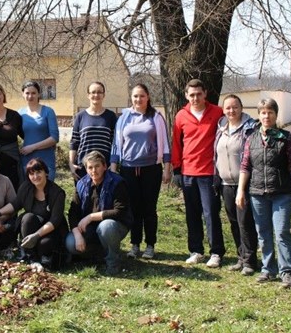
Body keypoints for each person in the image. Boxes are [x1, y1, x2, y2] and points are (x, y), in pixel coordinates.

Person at [236, 98, 291, 288]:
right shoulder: (251, 138)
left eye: (270, 112)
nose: (266, 116)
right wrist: (240, 191)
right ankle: (267, 269)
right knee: (263, 232)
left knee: (282, 232)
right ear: (259, 115)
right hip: (257, 193)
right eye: (263, 112)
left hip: (282, 193)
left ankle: (286, 272)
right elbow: (245, 166)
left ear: (276, 115)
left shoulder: (285, 138)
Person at [110, 83, 171, 260]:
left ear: (148, 97)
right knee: (133, 209)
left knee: (149, 209)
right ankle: (135, 245)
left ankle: (150, 245)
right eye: (135, 96)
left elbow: (165, 144)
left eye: (142, 96)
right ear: (132, 98)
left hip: (151, 169)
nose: (138, 99)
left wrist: (167, 168)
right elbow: (116, 144)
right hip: (128, 169)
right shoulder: (124, 118)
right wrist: (114, 167)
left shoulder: (156, 117)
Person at [171, 78, 225, 268]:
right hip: (188, 173)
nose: (195, 98)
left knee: (211, 213)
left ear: (205, 94)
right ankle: (196, 250)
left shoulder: (218, 113)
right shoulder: (181, 116)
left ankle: (216, 252)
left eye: (198, 94)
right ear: (186, 96)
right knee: (192, 214)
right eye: (191, 95)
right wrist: (176, 169)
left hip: (209, 173)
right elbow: (176, 144)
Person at [0, 158, 68, 269]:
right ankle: (32, 258)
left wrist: (36, 235)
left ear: (46, 173)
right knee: (27, 218)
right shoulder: (26, 187)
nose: (35, 176)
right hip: (32, 225)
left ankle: (43, 256)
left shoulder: (57, 193)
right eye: (31, 173)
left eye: (38, 172)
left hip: (51, 229)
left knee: (44, 244)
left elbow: (55, 220)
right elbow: (15, 204)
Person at [65, 150, 132, 275]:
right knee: (71, 243)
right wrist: (77, 235)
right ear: (86, 168)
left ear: (105, 166)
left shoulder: (117, 182)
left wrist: (90, 217)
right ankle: (99, 253)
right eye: (90, 167)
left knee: (106, 227)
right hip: (90, 229)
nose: (93, 171)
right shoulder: (81, 184)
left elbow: (119, 211)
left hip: (115, 226)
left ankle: (113, 263)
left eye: (97, 166)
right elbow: (73, 212)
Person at [214, 94, 258, 275]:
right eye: (228, 108)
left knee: (245, 222)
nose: (231, 111)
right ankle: (240, 257)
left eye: (235, 107)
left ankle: (250, 261)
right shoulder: (221, 129)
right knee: (233, 221)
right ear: (223, 110)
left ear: (241, 108)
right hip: (226, 183)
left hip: (244, 184)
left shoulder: (250, 129)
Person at [69, 81, 117, 181]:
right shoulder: (80, 116)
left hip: (104, 168)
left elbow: (115, 144)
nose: (96, 95)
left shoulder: (111, 116)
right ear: (88, 95)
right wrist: (71, 164)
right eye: (93, 92)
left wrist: (113, 166)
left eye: (99, 92)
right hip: (83, 169)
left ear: (104, 95)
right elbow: (74, 142)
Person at [18, 81, 60, 180]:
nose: (30, 96)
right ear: (23, 94)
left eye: (33, 93)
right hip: (26, 160)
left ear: (39, 94)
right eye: (27, 93)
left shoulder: (48, 111)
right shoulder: (20, 113)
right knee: (29, 193)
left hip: (46, 159)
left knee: (46, 193)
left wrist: (33, 147)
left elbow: (54, 138)